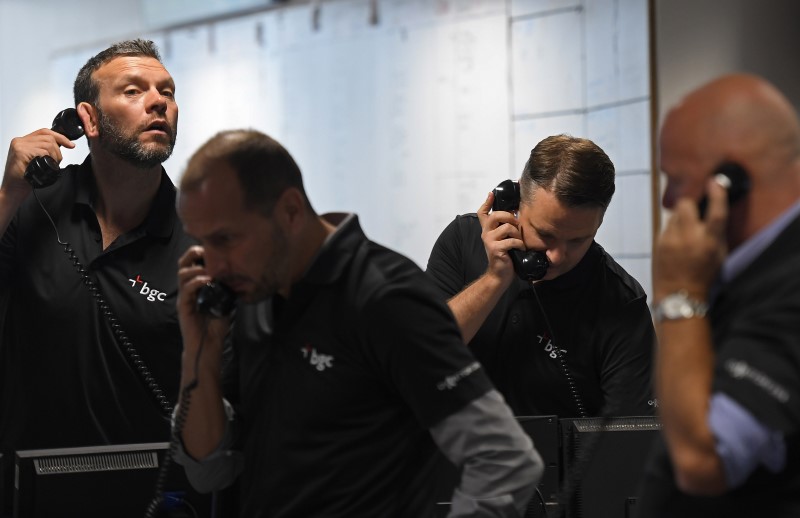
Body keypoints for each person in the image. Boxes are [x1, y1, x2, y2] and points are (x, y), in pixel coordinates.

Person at [174, 129, 543, 517]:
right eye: (202, 243)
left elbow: (506, 460)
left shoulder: (386, 297)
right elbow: (207, 470)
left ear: (290, 211)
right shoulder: (253, 289)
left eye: (226, 239)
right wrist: (199, 352)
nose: (212, 266)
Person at [0, 39, 191, 509]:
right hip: (29, 489)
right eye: (133, 90)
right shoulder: (31, 207)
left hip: (152, 494)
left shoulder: (198, 232)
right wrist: (7, 193)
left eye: (166, 91)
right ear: (85, 120)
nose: (158, 102)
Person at [636, 74, 800, 517]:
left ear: (732, 180)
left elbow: (701, 461)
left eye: (677, 179)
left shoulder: (789, 286)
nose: (669, 201)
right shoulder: (747, 269)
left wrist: (678, 293)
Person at [426, 134, 655, 418]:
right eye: (546, 234)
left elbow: (630, 441)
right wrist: (493, 280)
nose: (557, 256)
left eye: (578, 241)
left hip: (555, 461)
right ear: (514, 204)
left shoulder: (621, 303)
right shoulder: (462, 240)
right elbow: (421, 353)